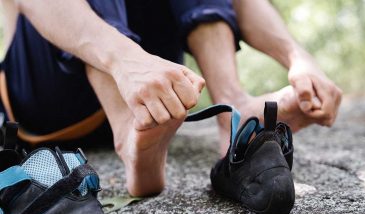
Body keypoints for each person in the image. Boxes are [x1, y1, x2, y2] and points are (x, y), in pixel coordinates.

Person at [0, 0, 342, 197]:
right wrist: (124, 59)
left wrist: (297, 57)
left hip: (152, 89)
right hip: (50, 92)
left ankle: (233, 108)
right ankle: (127, 131)